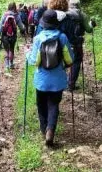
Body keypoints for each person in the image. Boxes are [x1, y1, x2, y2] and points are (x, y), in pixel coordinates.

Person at [26, 9, 74, 146]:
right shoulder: (62, 37)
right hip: (58, 79)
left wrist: (27, 53)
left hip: (41, 79)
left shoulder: (38, 39)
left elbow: (34, 61)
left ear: (44, 24)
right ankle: (50, 130)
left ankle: (43, 128)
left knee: (41, 104)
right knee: (53, 104)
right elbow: (70, 60)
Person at [65, 0, 97, 91]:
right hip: (77, 42)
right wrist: (92, 24)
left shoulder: (65, 14)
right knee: (76, 62)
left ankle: (62, 83)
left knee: (64, 61)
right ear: (79, 5)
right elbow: (88, 29)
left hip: (65, 41)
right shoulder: (82, 15)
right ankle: (71, 84)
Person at [0, 2, 27, 71]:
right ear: (14, 7)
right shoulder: (16, 15)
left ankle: (7, 65)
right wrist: (24, 28)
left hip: (5, 36)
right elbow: (21, 27)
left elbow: (0, 26)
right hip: (13, 36)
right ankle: (11, 64)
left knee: (7, 50)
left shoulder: (4, 15)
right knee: (11, 49)